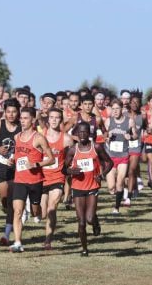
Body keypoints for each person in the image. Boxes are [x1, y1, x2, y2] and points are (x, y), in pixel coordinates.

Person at [9, 107, 54, 253]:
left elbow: (51, 159)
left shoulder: (39, 138)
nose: (22, 121)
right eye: (21, 118)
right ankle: (17, 242)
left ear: (33, 120)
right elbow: (18, 156)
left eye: (26, 118)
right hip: (20, 180)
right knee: (17, 211)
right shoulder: (17, 137)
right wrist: (11, 160)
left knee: (36, 213)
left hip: (35, 181)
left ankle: (35, 210)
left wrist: (37, 164)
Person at [64, 122, 113, 256]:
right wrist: (71, 171)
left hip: (92, 186)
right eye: (80, 132)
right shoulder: (73, 150)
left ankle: (95, 222)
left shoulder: (96, 147)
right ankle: (85, 249)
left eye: (85, 132)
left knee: (89, 219)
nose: (83, 134)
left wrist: (102, 175)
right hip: (77, 187)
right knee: (81, 222)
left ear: (90, 133)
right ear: (76, 134)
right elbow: (64, 169)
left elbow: (110, 162)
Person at [0, 98, 21, 245]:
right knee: (5, 200)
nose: (11, 114)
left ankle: (6, 234)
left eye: (14, 112)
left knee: (13, 199)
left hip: (17, 167)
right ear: (4, 112)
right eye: (8, 112)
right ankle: (11, 214)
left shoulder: (22, 126)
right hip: (1, 165)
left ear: (18, 112)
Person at [40, 108, 74, 249]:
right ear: (48, 119)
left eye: (57, 117)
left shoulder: (66, 139)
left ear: (61, 120)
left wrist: (70, 170)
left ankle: (48, 240)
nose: (54, 120)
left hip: (57, 178)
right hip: (41, 178)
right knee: (41, 213)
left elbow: (72, 157)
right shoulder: (40, 137)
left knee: (52, 208)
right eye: (52, 117)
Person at [105, 100, 136, 212]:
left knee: (120, 180)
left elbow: (135, 135)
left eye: (117, 109)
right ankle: (117, 194)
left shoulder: (129, 121)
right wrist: (107, 136)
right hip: (110, 156)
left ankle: (116, 207)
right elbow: (104, 136)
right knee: (111, 187)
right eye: (113, 109)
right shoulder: (108, 121)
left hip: (123, 155)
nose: (115, 111)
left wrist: (131, 137)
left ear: (122, 109)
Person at [125, 92, 145, 203]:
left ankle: (128, 196)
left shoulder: (142, 117)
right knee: (125, 172)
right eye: (133, 102)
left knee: (132, 170)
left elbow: (147, 128)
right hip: (123, 147)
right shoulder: (124, 115)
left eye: (137, 102)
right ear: (129, 103)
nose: (134, 104)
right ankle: (132, 187)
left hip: (136, 146)